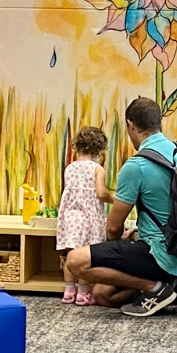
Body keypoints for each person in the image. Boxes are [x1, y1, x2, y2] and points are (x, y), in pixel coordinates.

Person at [61, 97, 177, 317]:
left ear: (130, 125)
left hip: (156, 253)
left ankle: (154, 289)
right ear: (159, 123)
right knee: (102, 294)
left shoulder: (136, 165)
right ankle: (174, 282)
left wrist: (116, 246)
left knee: (75, 261)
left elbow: (114, 228)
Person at [56, 126, 112, 305]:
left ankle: (68, 291)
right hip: (89, 218)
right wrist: (115, 200)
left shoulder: (70, 168)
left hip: (71, 217)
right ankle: (82, 293)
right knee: (87, 258)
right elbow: (101, 193)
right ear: (99, 150)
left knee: (71, 256)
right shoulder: (97, 169)